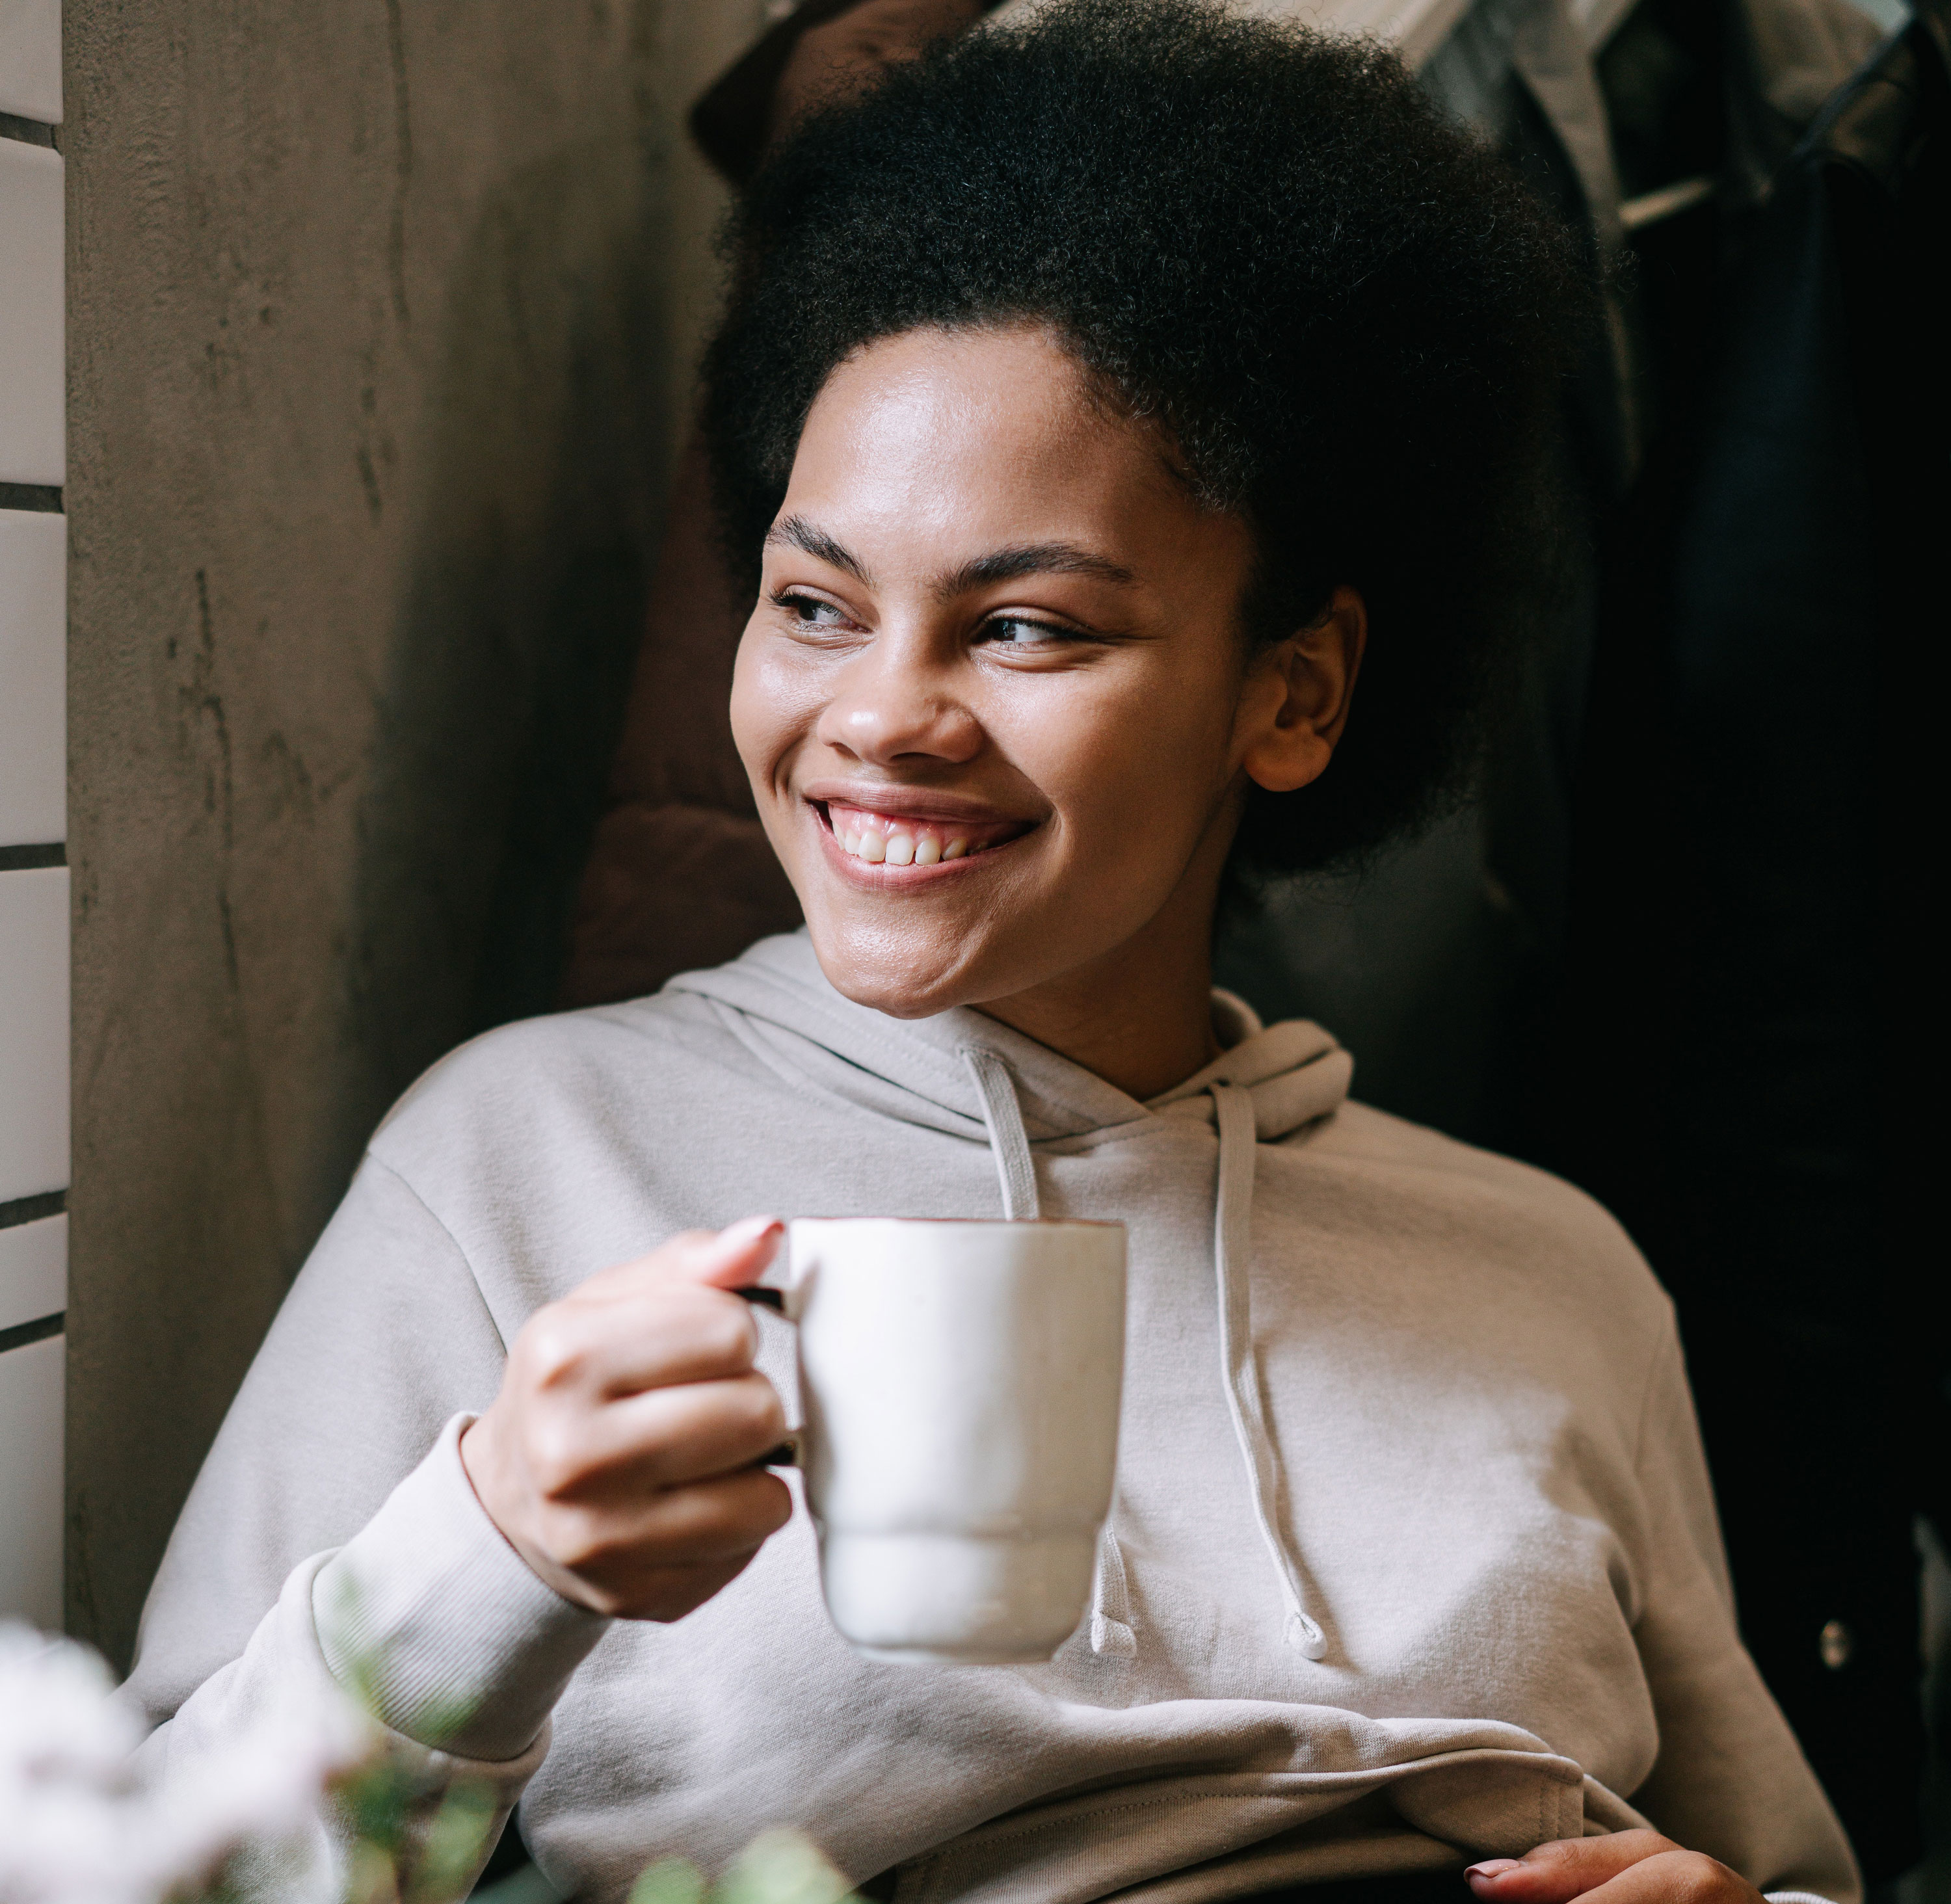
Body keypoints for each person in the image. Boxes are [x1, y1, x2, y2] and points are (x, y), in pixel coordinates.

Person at [122, 6, 1861, 1903]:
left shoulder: (1555, 1275)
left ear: (1294, 693)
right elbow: (137, 1878)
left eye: (1023, 628)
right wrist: (492, 1546)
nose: (883, 715)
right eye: (812, 601)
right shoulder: (530, 1160)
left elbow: (1794, 1869)